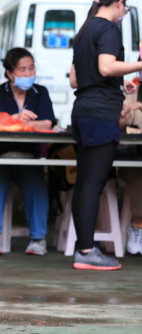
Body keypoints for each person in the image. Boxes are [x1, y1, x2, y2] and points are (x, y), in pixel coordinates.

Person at [69, 0, 142, 269]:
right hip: (100, 113)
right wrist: (138, 65)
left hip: (83, 110)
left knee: (86, 183)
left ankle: (83, 249)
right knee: (92, 184)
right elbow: (106, 67)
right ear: (120, 4)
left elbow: (75, 80)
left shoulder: (85, 30)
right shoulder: (109, 29)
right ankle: (87, 252)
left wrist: (112, 80)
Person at [0, 48, 54, 255]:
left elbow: (48, 122)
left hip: (27, 157)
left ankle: (38, 239)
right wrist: (18, 120)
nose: (28, 74)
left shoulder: (41, 93)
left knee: (35, 182)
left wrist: (16, 122)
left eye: (31, 68)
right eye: (22, 70)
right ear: (10, 73)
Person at [118, 79, 142, 255]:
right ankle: (138, 225)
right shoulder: (131, 91)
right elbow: (119, 123)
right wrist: (124, 115)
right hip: (133, 152)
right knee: (136, 172)